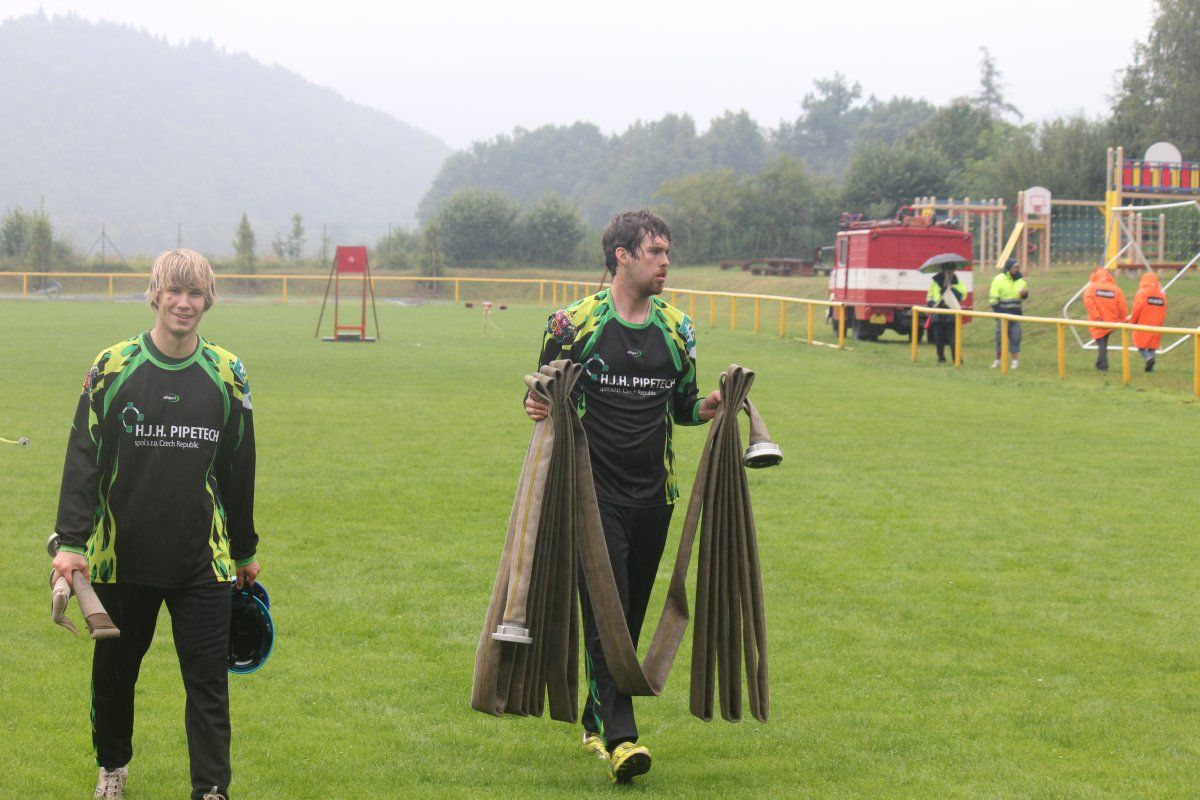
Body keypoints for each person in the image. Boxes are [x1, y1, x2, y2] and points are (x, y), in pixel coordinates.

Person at [52, 249, 259, 800]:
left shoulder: (227, 373)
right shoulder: (112, 366)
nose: (184, 303)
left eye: (195, 293)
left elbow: (239, 468)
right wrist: (71, 542)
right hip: (123, 557)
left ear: (208, 300)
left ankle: (211, 788)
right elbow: (83, 458)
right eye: (175, 291)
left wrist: (244, 551)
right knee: (115, 676)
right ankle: (112, 768)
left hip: (204, 561)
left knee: (208, 684)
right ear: (156, 294)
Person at [524, 210, 720, 784]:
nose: (665, 263)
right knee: (604, 613)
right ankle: (622, 739)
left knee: (627, 616)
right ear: (622, 256)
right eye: (655, 251)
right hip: (591, 494)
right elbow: (542, 393)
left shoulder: (678, 328)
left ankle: (594, 718)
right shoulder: (572, 324)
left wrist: (707, 407)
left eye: (667, 252)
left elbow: (682, 406)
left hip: (655, 496)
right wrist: (533, 402)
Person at [1083, 267, 1128, 371]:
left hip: (1097, 321)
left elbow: (1089, 302)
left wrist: (1097, 316)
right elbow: (1122, 305)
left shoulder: (1092, 287)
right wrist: (1122, 318)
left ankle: (1103, 365)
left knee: (1101, 342)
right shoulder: (1115, 289)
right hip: (1111, 321)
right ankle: (1100, 363)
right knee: (1103, 342)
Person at [989, 257, 1028, 369]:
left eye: (1017, 267)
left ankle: (1014, 361)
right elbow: (993, 299)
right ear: (1008, 268)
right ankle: (997, 360)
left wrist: (1024, 294)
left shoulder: (1021, 280)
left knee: (1016, 338)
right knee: (1000, 339)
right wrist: (999, 314)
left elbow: (1024, 295)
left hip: (1016, 314)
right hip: (1002, 314)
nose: (1016, 269)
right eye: (1014, 267)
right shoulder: (998, 279)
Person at [926, 262, 966, 363]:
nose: (950, 273)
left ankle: (956, 359)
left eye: (952, 271)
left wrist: (953, 289)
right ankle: (941, 358)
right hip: (938, 312)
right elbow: (929, 297)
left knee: (953, 339)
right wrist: (932, 303)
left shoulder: (958, 282)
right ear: (943, 271)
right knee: (938, 338)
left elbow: (962, 296)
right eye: (948, 271)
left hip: (952, 312)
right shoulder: (935, 282)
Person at [1128, 270, 1167, 371]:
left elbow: (1137, 309)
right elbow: (1164, 311)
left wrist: (1132, 322)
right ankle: (1151, 368)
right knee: (1152, 345)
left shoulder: (1142, 293)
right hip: (1157, 324)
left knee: (1139, 342)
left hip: (1144, 322)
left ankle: (1148, 357)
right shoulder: (1161, 295)